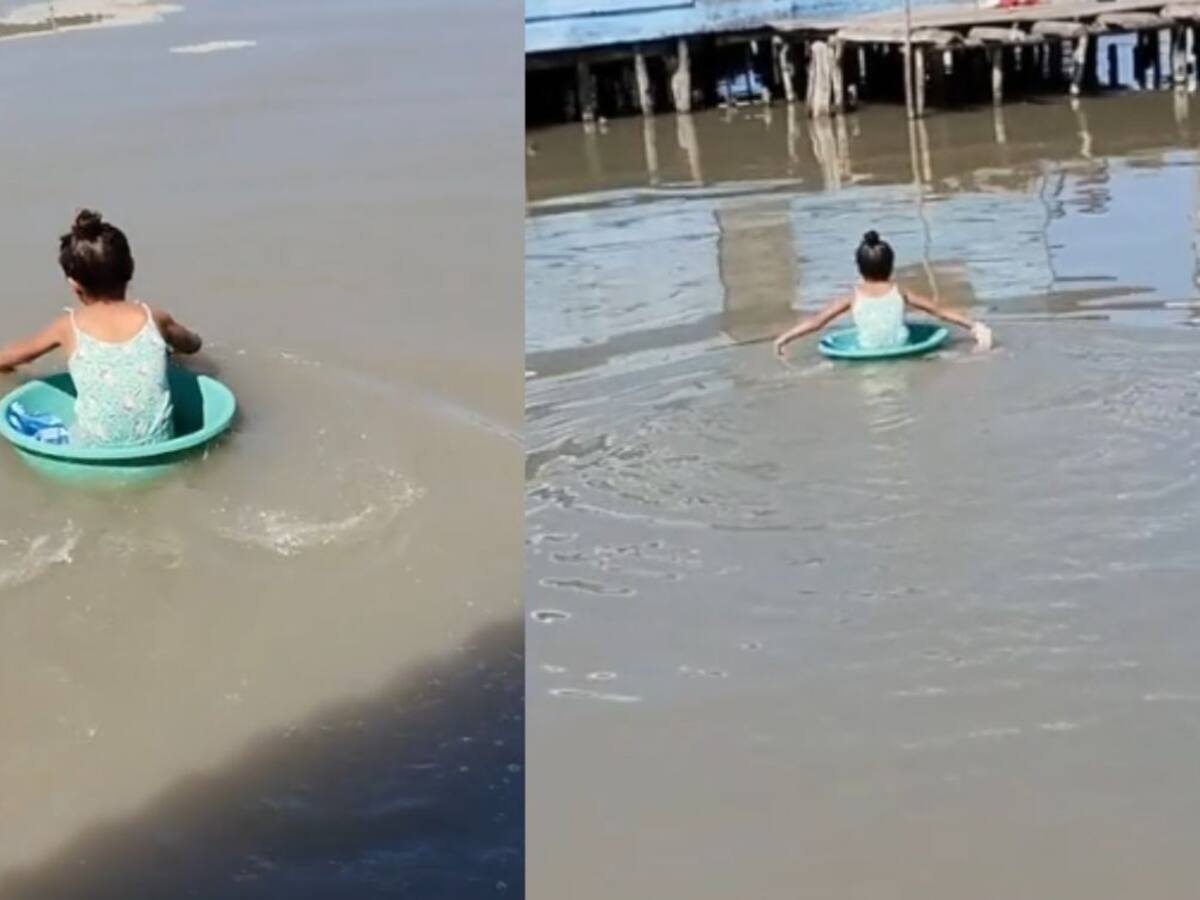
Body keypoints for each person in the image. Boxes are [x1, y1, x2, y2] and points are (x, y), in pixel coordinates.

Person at [0, 209, 202, 445]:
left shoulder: (68, 326)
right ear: (131, 268)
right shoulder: (154, 317)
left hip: (93, 456)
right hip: (160, 450)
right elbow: (192, 345)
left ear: (74, 285)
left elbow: (10, 357)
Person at [773, 230, 993, 358]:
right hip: (901, 347)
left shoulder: (853, 296)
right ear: (891, 266)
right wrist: (973, 325)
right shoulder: (900, 291)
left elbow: (817, 321)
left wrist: (785, 338)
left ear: (859, 268)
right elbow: (939, 311)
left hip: (867, 351)